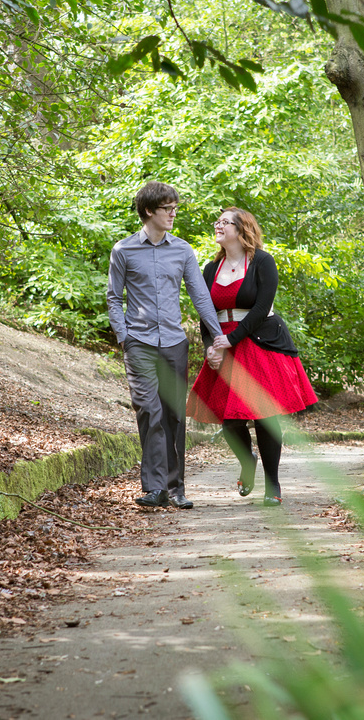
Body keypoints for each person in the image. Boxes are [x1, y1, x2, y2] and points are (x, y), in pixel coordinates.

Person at [107, 181, 229, 509]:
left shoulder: (183, 250)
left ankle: (176, 489)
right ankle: (154, 488)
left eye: (175, 208)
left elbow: (199, 295)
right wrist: (124, 336)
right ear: (149, 211)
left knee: (174, 415)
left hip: (174, 342)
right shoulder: (123, 250)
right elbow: (113, 298)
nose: (173, 214)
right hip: (140, 343)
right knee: (149, 410)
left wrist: (218, 336)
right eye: (167, 209)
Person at [186, 207, 318, 506]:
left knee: (264, 417)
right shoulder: (209, 268)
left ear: (241, 228)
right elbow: (206, 314)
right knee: (230, 421)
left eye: (224, 222)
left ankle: (273, 486)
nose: (217, 225)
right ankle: (248, 462)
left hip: (259, 342)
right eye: (217, 221)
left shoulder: (262, 261)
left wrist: (230, 340)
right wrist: (211, 346)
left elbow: (261, 308)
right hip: (223, 343)